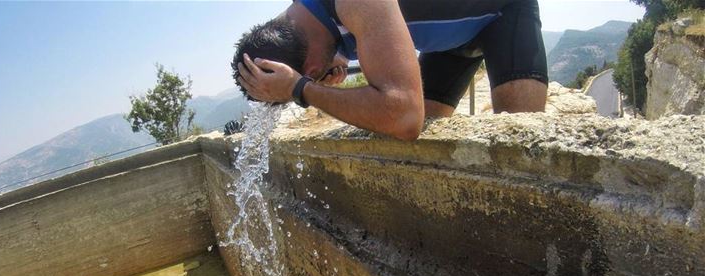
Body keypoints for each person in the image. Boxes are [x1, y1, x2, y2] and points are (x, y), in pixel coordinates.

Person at [233, 0, 548, 141]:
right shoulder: (295, 23)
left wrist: (302, 89)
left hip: (503, 13)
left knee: (521, 142)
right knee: (424, 141)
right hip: (446, 44)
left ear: (311, 68)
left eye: (310, 74)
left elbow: (404, 116)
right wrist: (329, 66)